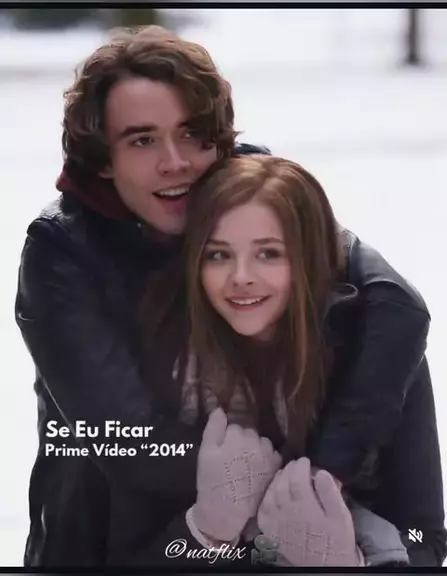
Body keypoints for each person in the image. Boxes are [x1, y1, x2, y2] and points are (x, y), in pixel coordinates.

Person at [14, 25, 445, 566]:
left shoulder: (275, 222)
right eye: (142, 140)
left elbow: (396, 304)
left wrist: (323, 488)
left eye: (193, 133)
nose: (175, 162)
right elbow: (131, 449)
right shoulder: (64, 252)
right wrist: (222, 521)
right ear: (103, 159)